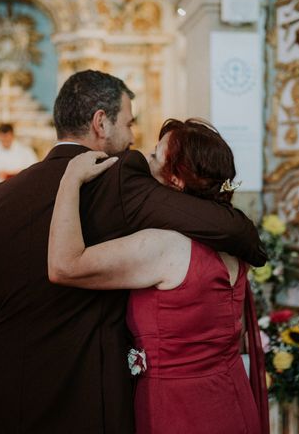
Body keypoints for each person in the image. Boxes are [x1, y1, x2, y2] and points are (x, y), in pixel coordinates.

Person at [0, 70, 267, 433]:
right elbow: (215, 221)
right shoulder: (122, 179)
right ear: (101, 123)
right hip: (88, 394)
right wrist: (251, 241)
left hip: (2, 389)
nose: (134, 136)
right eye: (129, 122)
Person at [48, 118, 270, 434]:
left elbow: (64, 265)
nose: (146, 162)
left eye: (155, 157)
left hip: (179, 409)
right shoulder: (233, 242)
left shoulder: (164, 246)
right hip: (231, 399)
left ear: (177, 180)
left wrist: (70, 179)